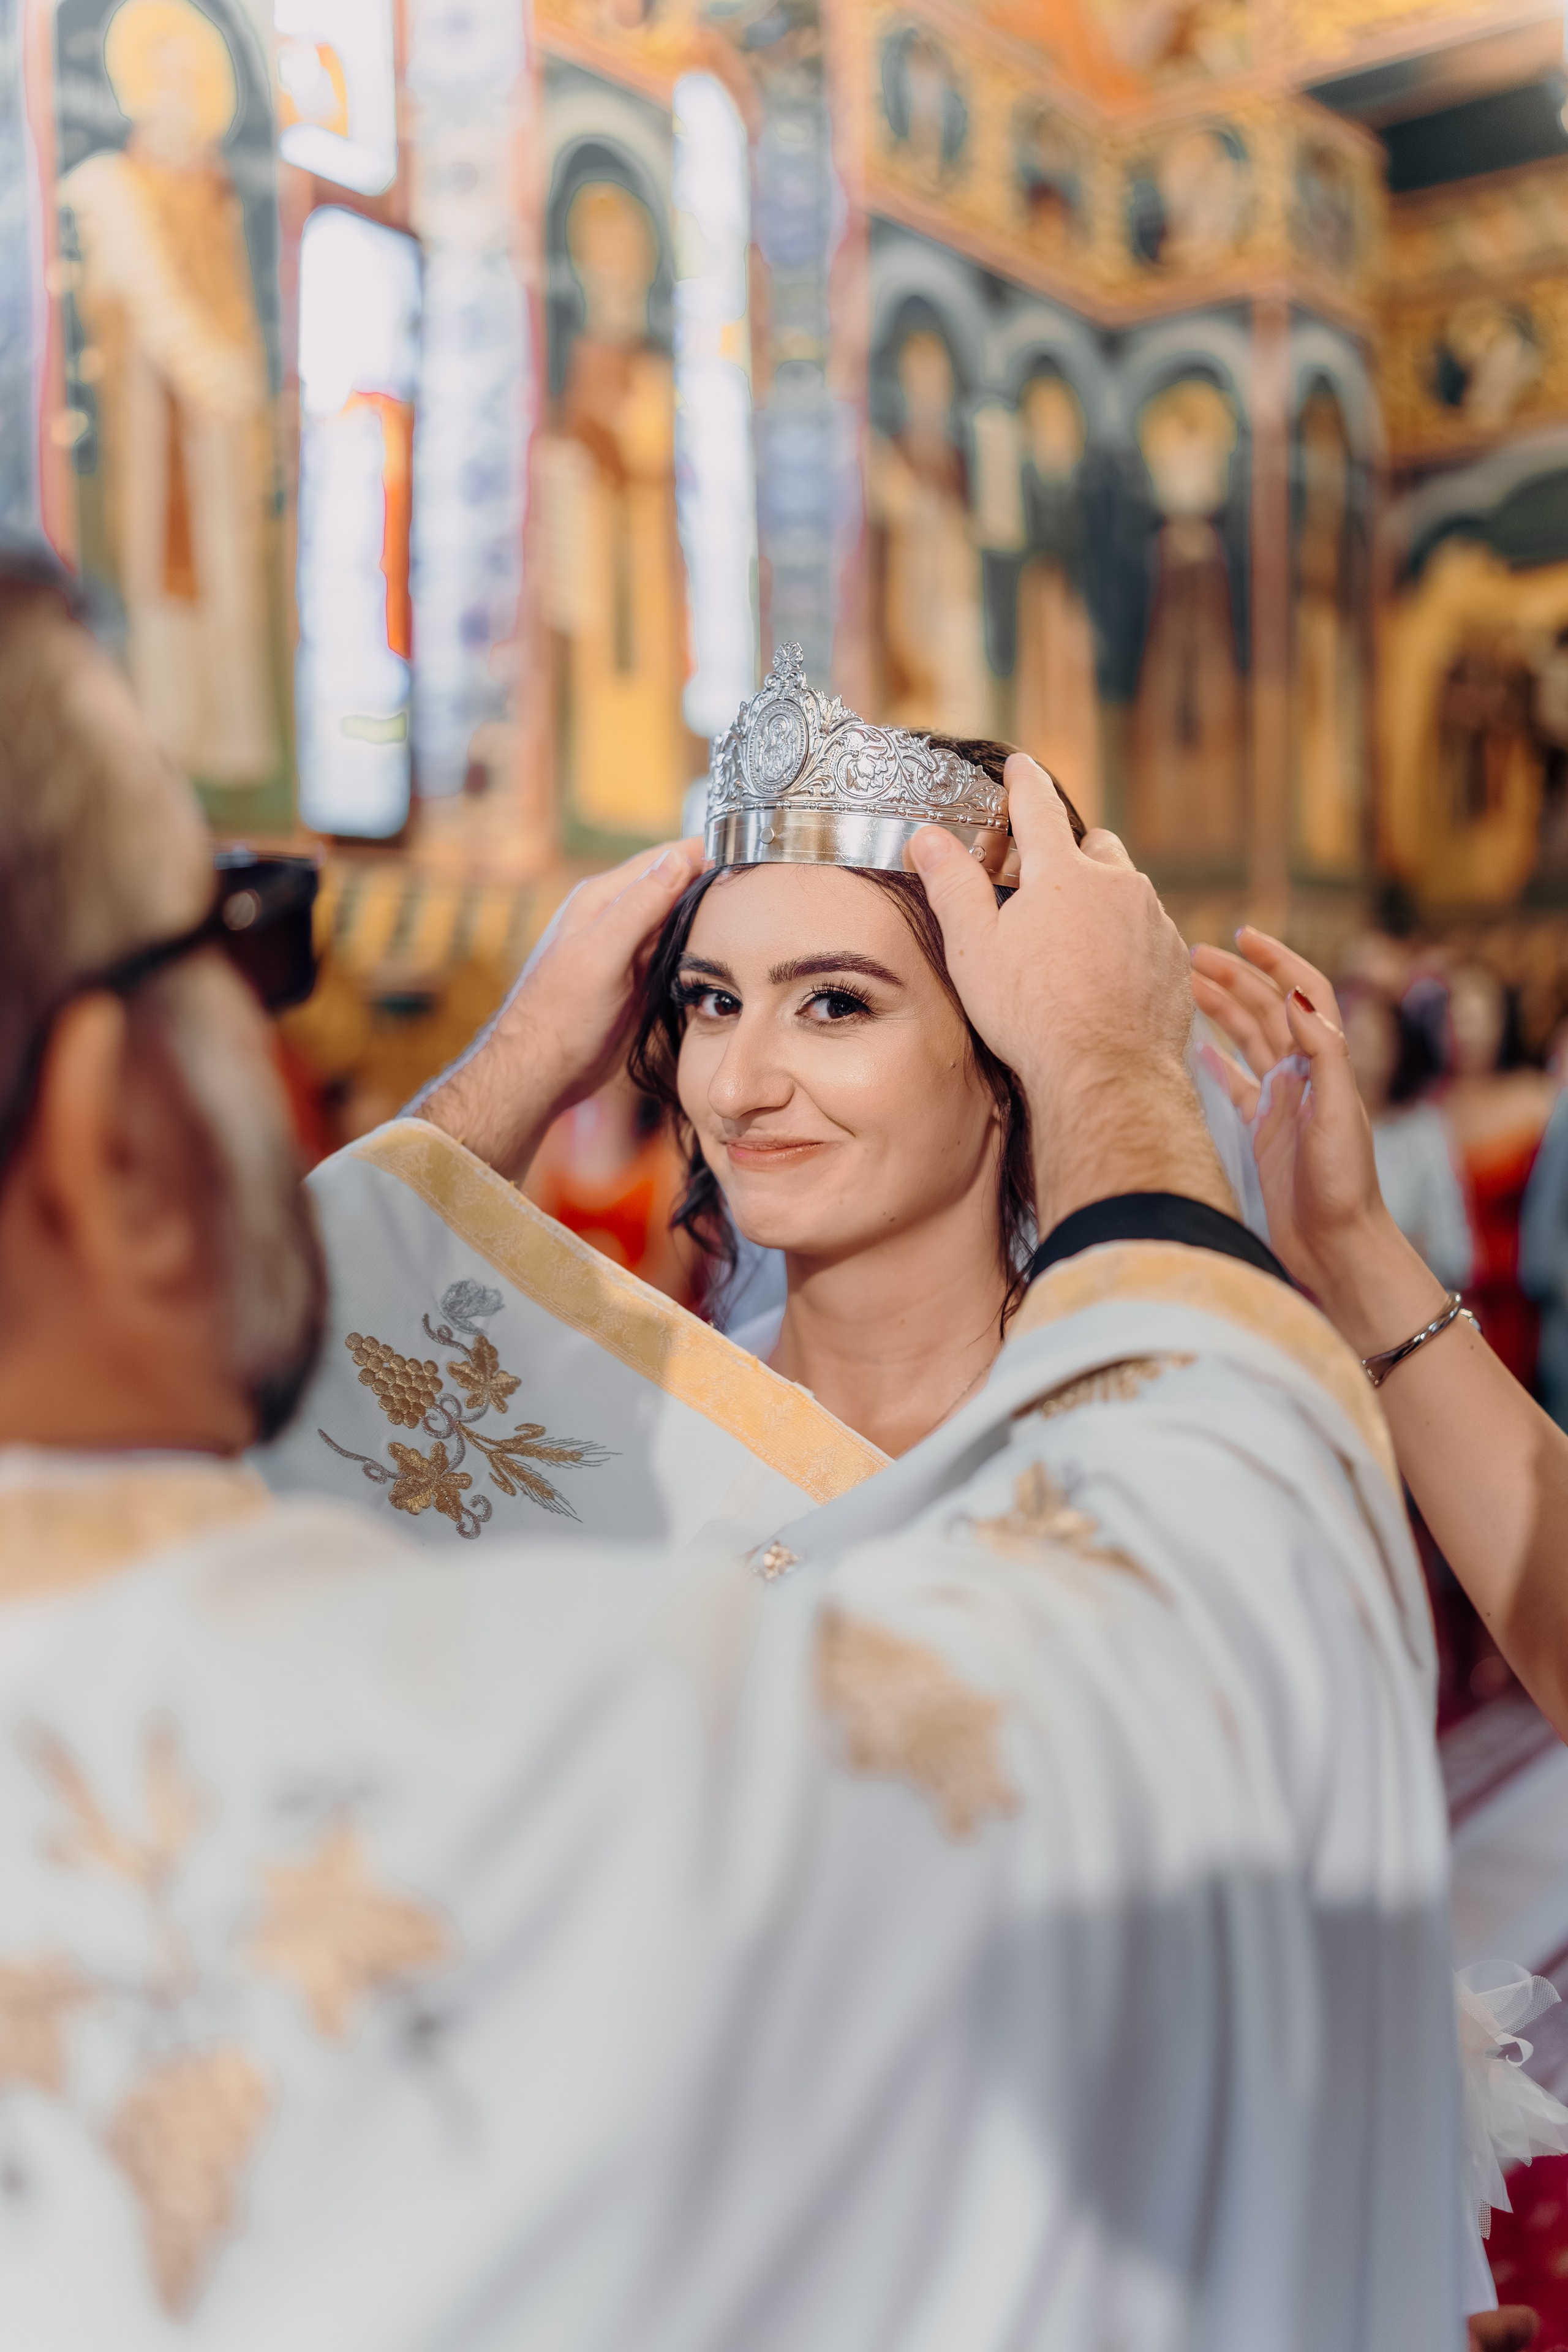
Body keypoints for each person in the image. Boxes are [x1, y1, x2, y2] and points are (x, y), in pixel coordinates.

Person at [0, 579, 1464, 2345]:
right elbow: (1214, 1659)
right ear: (99, 1133)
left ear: (994, 1051)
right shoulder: (593, 1417)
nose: (744, 1077)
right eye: (705, 1001)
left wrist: (511, 1067)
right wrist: (1115, 1073)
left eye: (835, 1004)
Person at [1339, 978, 1472, 1295]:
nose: (1365, 1056)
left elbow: (1455, 1252)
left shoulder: (1423, 1129)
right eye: (1354, 1039)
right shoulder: (1306, 1126)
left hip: (1409, 1306)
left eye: (1378, 1042)